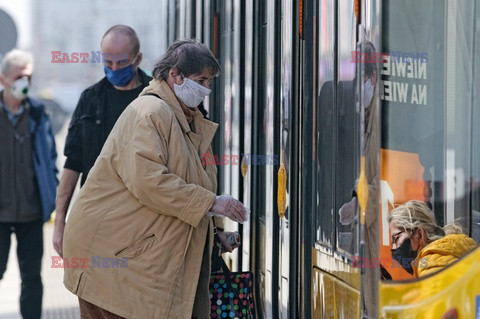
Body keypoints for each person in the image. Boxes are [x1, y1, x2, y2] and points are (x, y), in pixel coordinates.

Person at [62, 39, 247, 319]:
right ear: (175, 75)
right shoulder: (150, 113)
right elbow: (149, 182)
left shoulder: (187, 119)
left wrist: (214, 235)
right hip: (113, 260)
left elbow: (194, 183)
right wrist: (213, 202)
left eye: (209, 82)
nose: (207, 89)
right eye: (201, 80)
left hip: (134, 257)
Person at [52, 25, 152, 257]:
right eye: (108, 62)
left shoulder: (154, 98)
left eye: (121, 62)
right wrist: (60, 223)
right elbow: (72, 163)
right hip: (97, 215)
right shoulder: (90, 100)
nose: (114, 68)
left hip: (143, 221)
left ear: (138, 59)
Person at [0, 49, 58, 319]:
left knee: (32, 278)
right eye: (20, 77)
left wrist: (52, 192)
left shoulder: (37, 114)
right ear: (4, 80)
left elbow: (50, 159)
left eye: (29, 77)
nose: (26, 82)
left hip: (32, 213)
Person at [389, 200, 477, 277]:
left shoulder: (430, 267)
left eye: (396, 239)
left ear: (419, 235)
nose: (393, 248)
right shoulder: (455, 248)